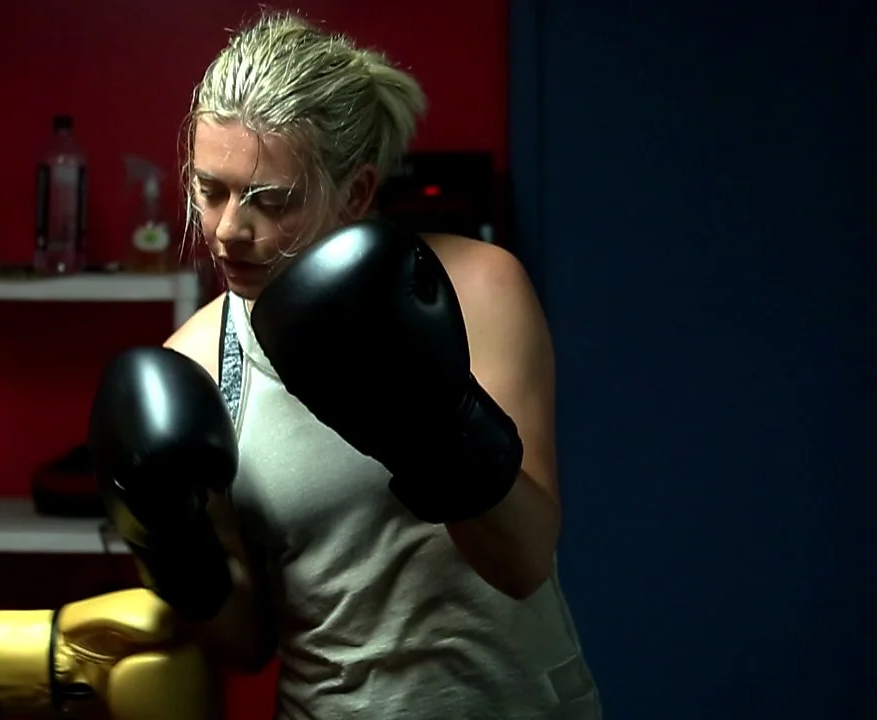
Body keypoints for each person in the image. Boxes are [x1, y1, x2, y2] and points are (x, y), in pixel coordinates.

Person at [91, 12, 602, 720]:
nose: (230, 229)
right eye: (210, 190)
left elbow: (521, 563)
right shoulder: (200, 361)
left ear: (356, 192)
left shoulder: (478, 288)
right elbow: (248, 644)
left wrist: (426, 416)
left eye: (271, 201)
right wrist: (169, 544)